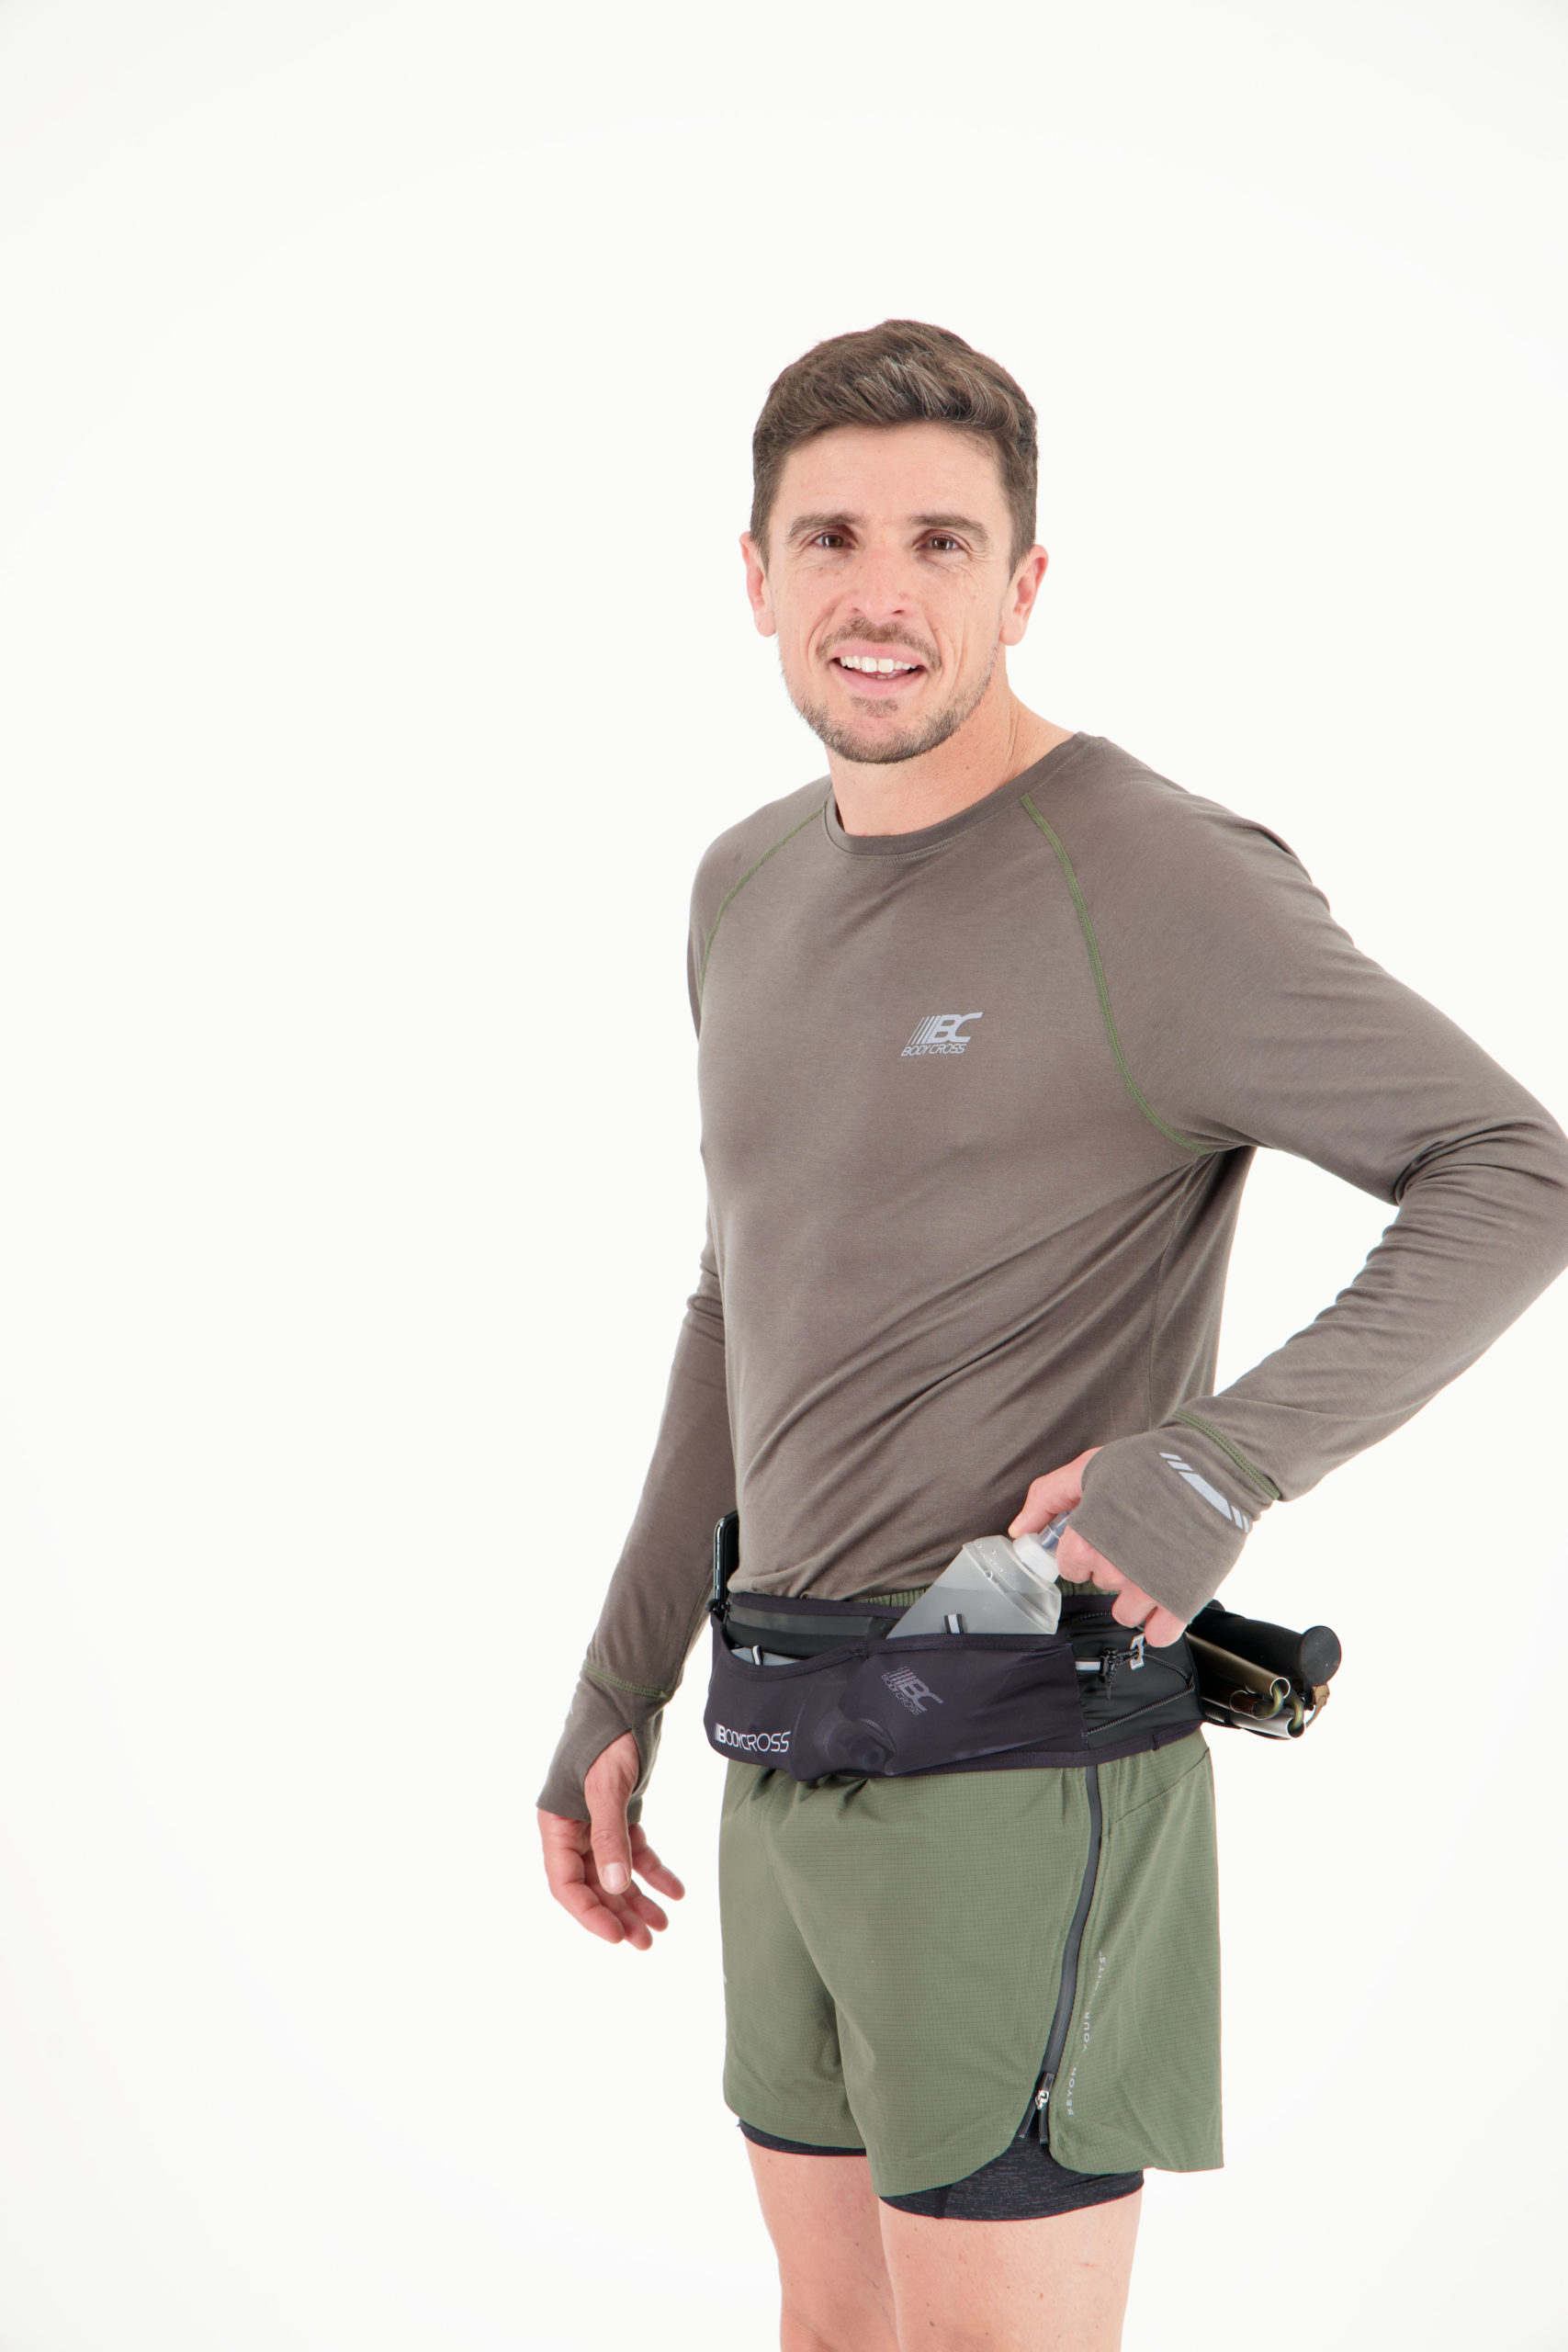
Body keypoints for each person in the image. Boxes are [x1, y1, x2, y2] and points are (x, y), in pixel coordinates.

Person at [536, 320, 1568, 2352]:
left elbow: (1508, 1170)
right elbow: (741, 1299)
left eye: (940, 540)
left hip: (1018, 1750)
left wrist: (1214, 1464)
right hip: (780, 1734)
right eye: (830, 537)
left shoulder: (1152, 875)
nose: (879, 592)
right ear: (752, 575)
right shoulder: (743, 885)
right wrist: (613, 1676)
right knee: (830, 2334)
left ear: (1021, 585)